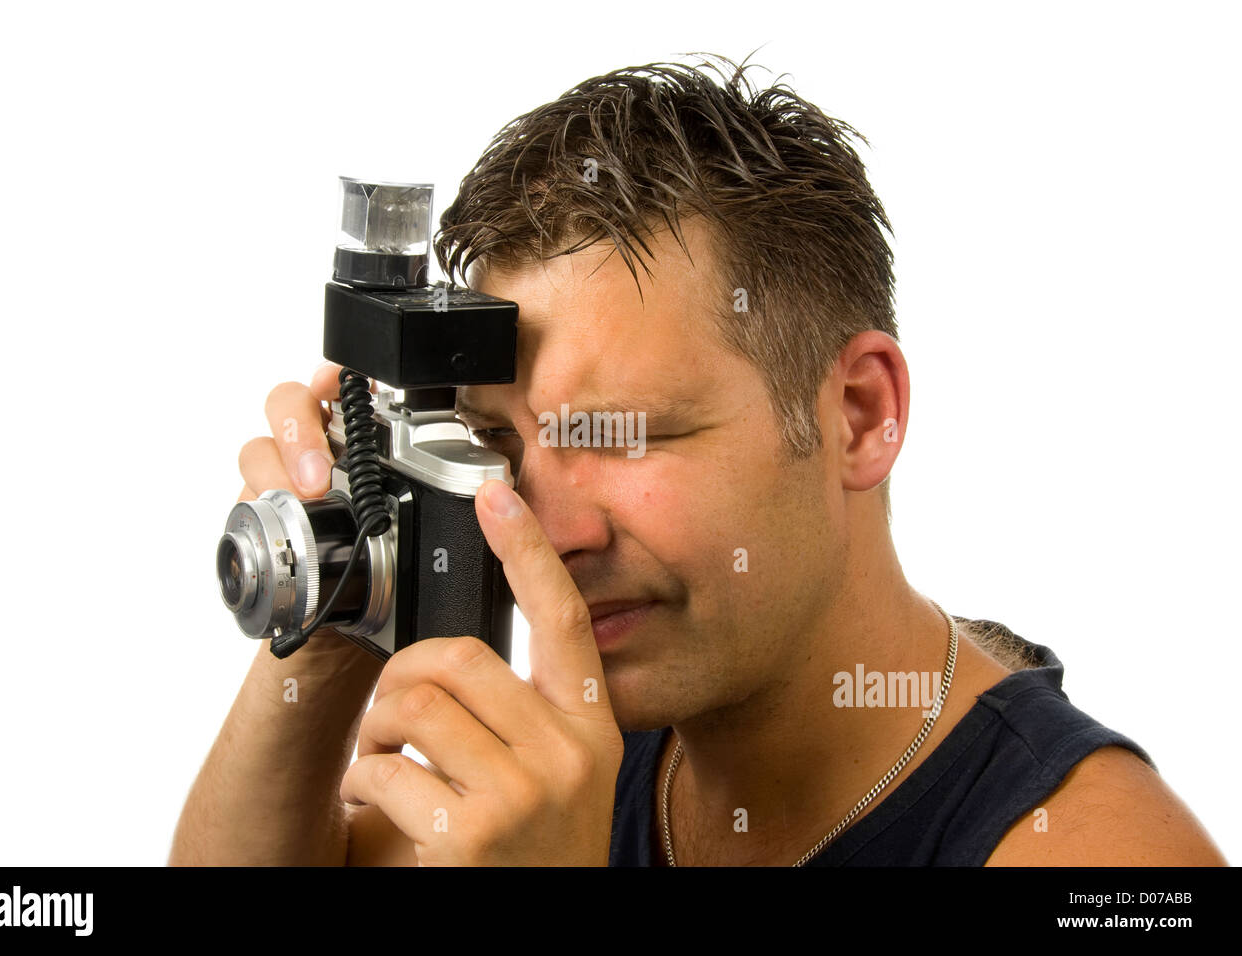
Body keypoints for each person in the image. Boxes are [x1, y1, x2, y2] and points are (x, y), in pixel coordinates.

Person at [170, 55, 1225, 866]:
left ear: (858, 415)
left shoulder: (1096, 855)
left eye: (623, 433)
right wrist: (328, 602)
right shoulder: (586, 748)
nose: (551, 526)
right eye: (497, 444)